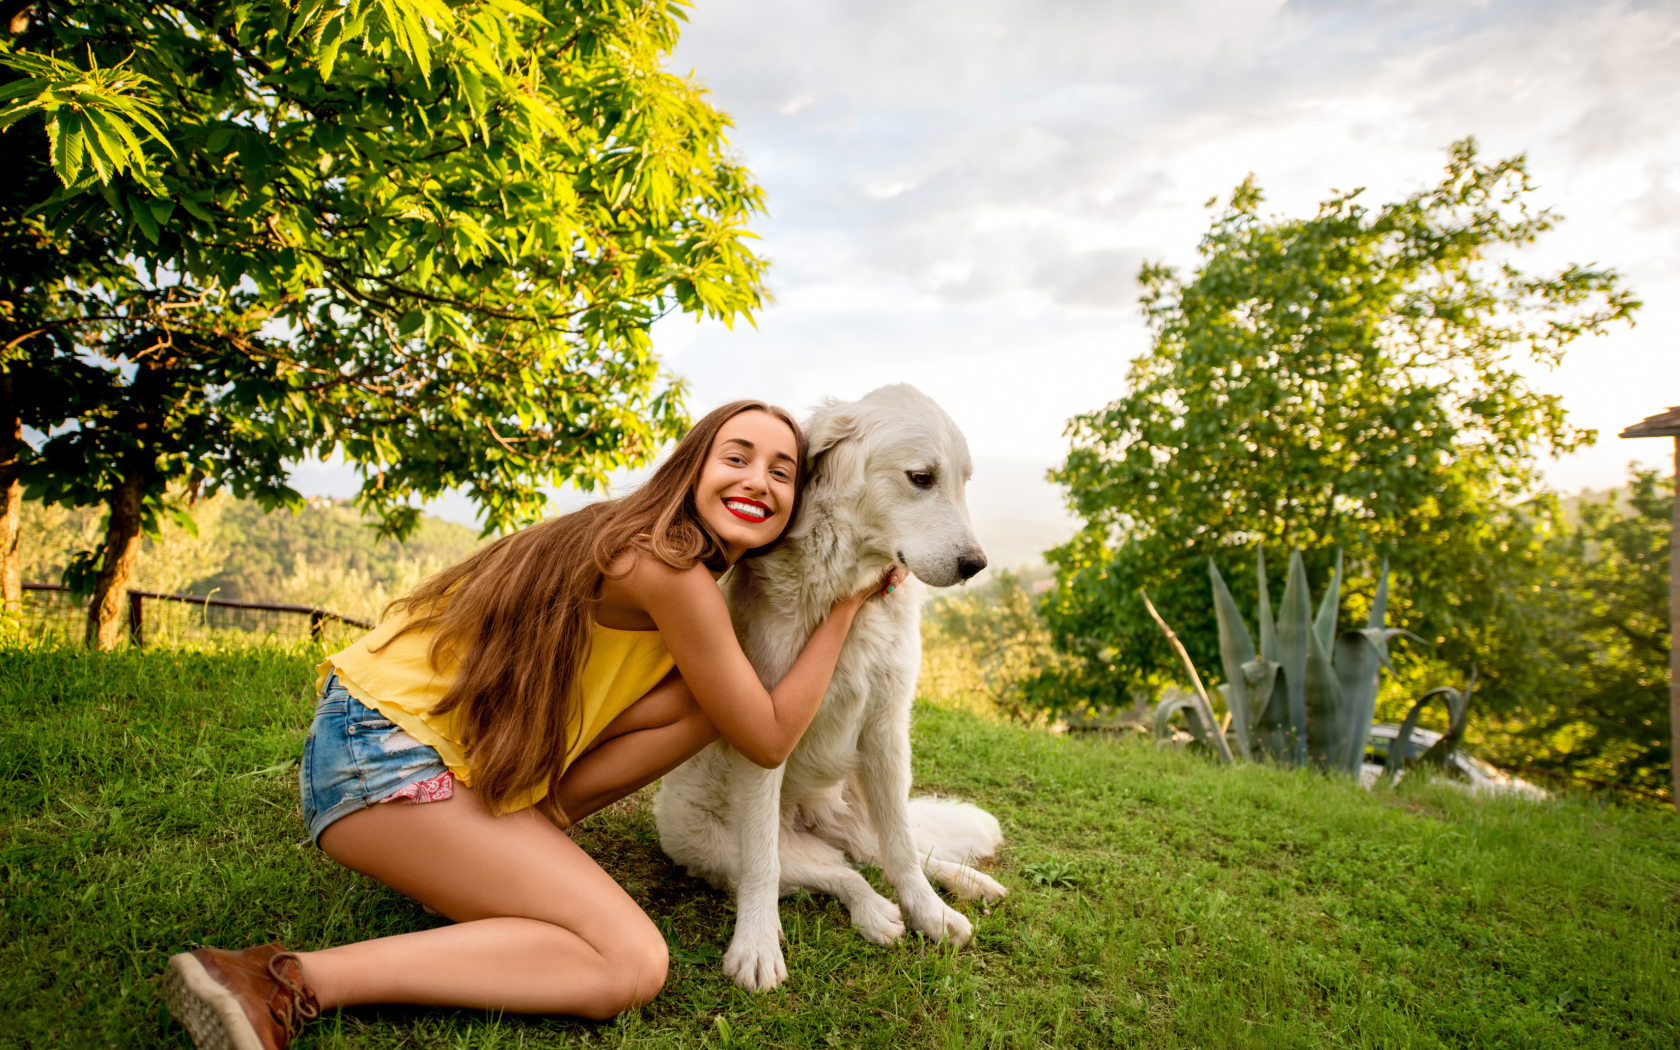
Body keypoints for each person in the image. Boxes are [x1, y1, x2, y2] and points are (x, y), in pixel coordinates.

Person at [161, 400, 899, 1049]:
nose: (759, 481)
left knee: (708, 699)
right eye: (736, 458)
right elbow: (768, 737)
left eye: (782, 472)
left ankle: (525, 829)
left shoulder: (652, 548)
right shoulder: (669, 568)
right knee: (630, 963)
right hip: (382, 759)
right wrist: (845, 605)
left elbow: (732, 711)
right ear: (690, 469)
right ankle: (277, 979)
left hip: (391, 750)